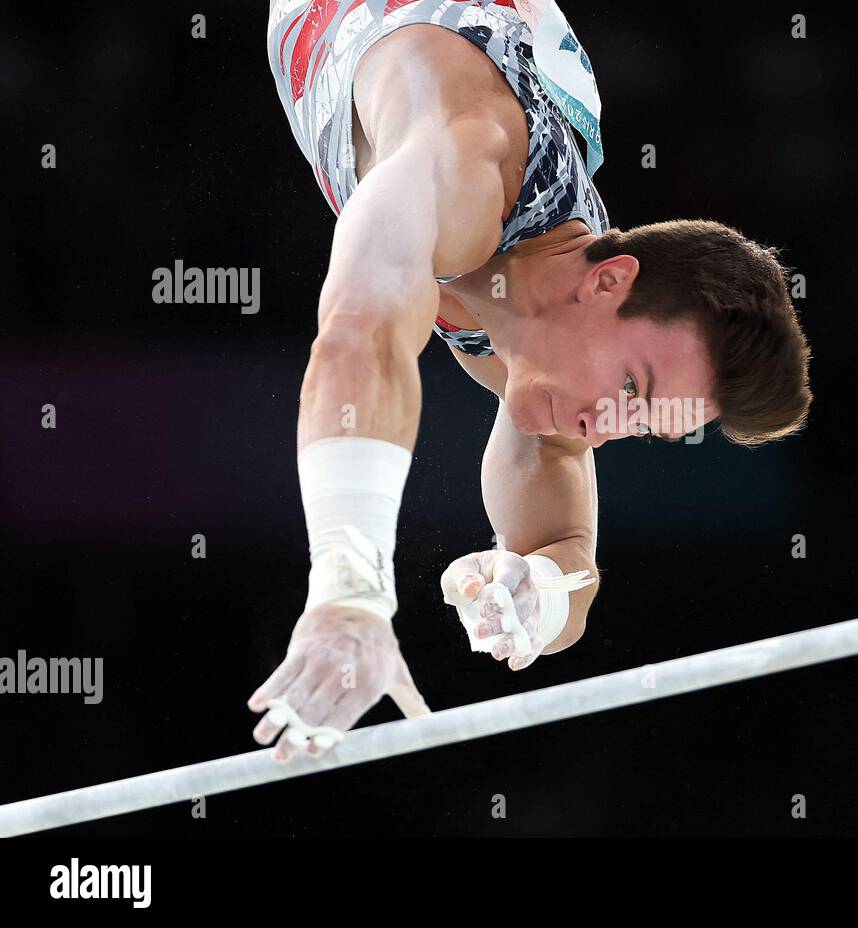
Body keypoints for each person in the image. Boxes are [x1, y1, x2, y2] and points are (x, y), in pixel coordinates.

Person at [249, 0, 812, 760]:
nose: (600, 429)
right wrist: (349, 593)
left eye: (641, 426)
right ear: (610, 281)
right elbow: (359, 337)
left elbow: (570, 548)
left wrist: (538, 595)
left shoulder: (545, 325)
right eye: (633, 392)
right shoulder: (462, 161)